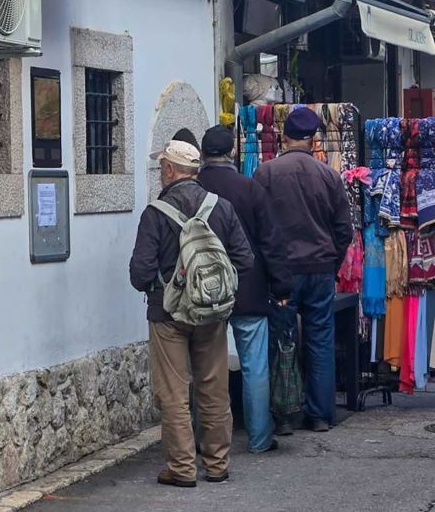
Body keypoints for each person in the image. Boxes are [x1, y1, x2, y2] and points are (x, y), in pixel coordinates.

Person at [130, 140, 254, 487]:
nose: (160, 172)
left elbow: (140, 273)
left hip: (168, 315)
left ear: (170, 170)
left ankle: (182, 468)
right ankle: (217, 464)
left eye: (161, 167)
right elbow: (245, 260)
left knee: (173, 394)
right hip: (211, 313)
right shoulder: (222, 208)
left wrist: (164, 284)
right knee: (213, 389)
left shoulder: (155, 213)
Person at [254, 107, 353, 433]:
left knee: (282, 339)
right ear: (313, 140)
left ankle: (283, 414)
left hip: (281, 270)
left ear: (284, 137)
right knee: (320, 340)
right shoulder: (329, 176)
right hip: (320, 267)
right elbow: (344, 230)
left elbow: (257, 226)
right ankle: (319, 414)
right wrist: (331, 263)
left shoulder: (266, 174)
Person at [198, 124, 292, 454]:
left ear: (202, 154)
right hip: (248, 286)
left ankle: (207, 438)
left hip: (204, 291)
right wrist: (281, 286)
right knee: (255, 366)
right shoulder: (250, 188)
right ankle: (259, 437)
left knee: (207, 367)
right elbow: (271, 241)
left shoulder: (194, 189)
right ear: (233, 152)